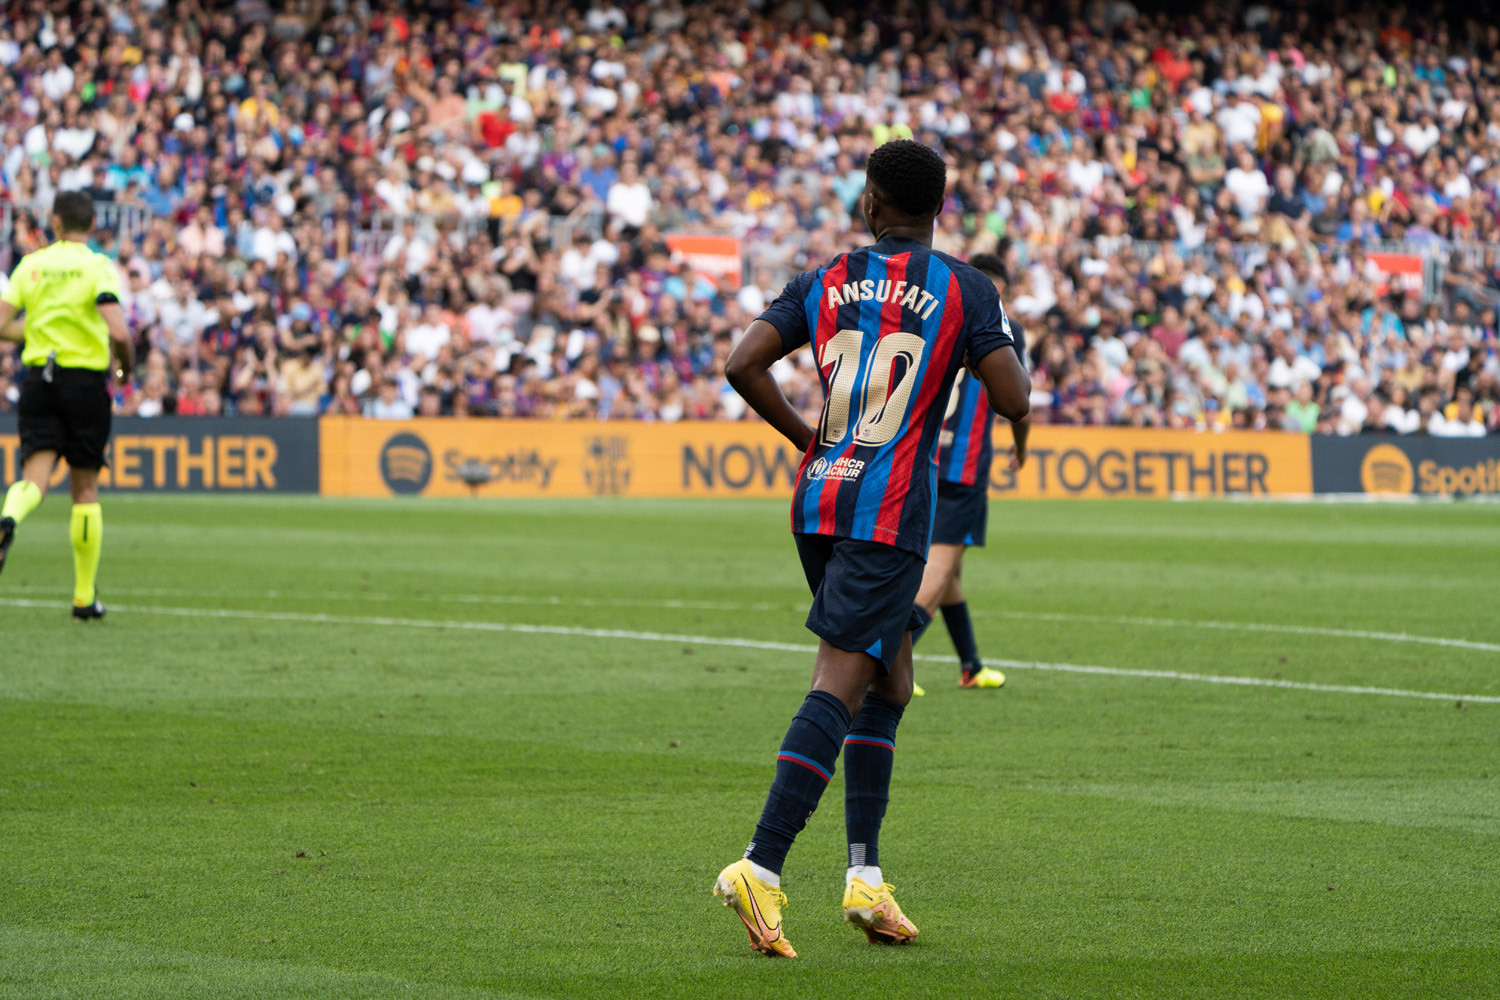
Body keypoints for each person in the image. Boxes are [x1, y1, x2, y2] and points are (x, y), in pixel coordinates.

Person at [713, 140, 1030, 957]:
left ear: (872, 203)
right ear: (936, 210)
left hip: (820, 499)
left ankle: (865, 878)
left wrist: (807, 440)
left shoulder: (823, 279)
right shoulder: (965, 287)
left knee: (890, 681)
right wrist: (988, 338)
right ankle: (761, 865)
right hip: (888, 512)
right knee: (843, 678)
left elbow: (743, 363)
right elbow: (1011, 395)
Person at [0, 191, 135, 618]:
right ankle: (83, 597)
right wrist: (123, 371)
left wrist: (40, 333)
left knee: (34, 479)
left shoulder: (32, 265)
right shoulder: (97, 266)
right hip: (83, 382)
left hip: (40, 378)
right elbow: (119, 332)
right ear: (92, 225)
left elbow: (2, 324)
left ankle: (8, 520)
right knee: (85, 488)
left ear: (55, 221)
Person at [910, 252, 1029, 693]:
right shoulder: (1003, 327)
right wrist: (1021, 447)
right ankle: (884, 663)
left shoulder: (938, 314)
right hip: (962, 469)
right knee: (938, 571)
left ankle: (972, 666)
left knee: (951, 573)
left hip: (922, 457)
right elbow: (1018, 401)